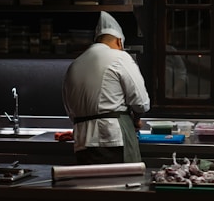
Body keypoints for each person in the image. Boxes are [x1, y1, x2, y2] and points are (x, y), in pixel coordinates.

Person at [62, 11, 150, 165]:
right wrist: (137, 119)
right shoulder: (119, 57)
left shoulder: (74, 64)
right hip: (112, 139)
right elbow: (141, 103)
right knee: (121, 186)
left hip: (82, 143)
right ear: (119, 42)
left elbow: (70, 111)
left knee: (91, 187)